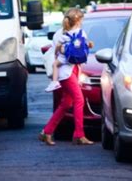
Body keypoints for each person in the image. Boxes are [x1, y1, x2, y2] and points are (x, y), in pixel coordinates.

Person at [39, 8, 94, 146]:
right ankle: (79, 135)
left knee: (66, 103)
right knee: (79, 99)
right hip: (65, 72)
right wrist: (65, 49)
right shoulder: (60, 34)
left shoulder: (77, 33)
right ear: (78, 20)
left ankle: (47, 131)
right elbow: (58, 52)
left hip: (73, 70)